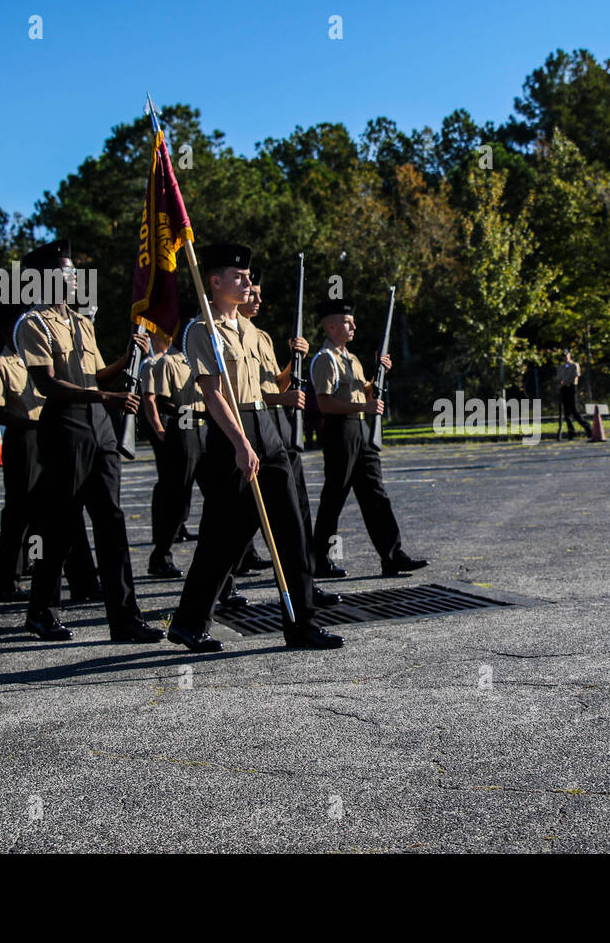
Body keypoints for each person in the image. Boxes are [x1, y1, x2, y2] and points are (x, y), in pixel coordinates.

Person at [166, 243, 342, 652]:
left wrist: (290, 367)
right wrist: (242, 443)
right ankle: (189, 623)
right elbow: (213, 395)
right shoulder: (200, 330)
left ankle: (301, 625)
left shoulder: (254, 332)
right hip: (233, 433)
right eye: (239, 277)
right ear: (214, 282)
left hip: (267, 427)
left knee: (292, 533)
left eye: (248, 278)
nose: (248, 283)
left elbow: (267, 390)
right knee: (222, 539)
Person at [14, 239, 163, 643]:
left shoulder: (82, 323)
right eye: (66, 272)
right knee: (60, 524)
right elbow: (47, 384)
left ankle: (125, 618)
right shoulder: (33, 324)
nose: (75, 278)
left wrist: (127, 355)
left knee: (112, 520)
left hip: (98, 424)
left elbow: (97, 376)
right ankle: (42, 611)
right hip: (65, 425)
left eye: (74, 272)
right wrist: (105, 397)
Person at [0, 305, 100, 600]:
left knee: (58, 510)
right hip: (25, 438)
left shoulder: (36, 356)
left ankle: (76, 578)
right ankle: (7, 579)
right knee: (20, 512)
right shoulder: (2, 365)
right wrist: (31, 423)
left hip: (52, 433)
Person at [241, 267, 340, 608]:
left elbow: (276, 384)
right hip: (256, 428)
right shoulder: (227, 333)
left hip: (280, 430)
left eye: (257, 292)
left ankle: (306, 587)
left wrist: (293, 359)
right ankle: (222, 588)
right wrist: (280, 398)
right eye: (252, 292)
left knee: (298, 513)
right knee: (245, 521)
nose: (257, 298)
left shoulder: (262, 336)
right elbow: (245, 394)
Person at [311, 298, 427, 578]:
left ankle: (392, 555)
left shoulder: (351, 359)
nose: (354, 326)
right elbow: (324, 403)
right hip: (340, 430)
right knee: (334, 497)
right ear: (332, 326)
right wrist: (363, 406)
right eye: (348, 322)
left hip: (360, 430)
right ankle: (319, 559)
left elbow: (368, 394)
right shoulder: (324, 359)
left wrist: (379, 373)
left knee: (376, 494)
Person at [143, 325, 205, 578]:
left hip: (204, 430)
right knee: (176, 494)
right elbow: (159, 401)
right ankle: (161, 555)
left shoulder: (201, 359)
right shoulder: (166, 362)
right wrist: (159, 427)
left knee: (220, 496)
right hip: (182, 430)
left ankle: (240, 557)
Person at [556, 351, 591, 440]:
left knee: (574, 411)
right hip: (564, 389)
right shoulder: (561, 367)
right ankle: (571, 432)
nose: (565, 358)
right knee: (566, 413)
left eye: (566, 356)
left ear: (570, 356)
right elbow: (559, 378)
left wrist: (566, 382)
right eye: (563, 357)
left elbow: (575, 377)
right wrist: (560, 385)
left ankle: (587, 427)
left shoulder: (574, 365)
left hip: (571, 388)